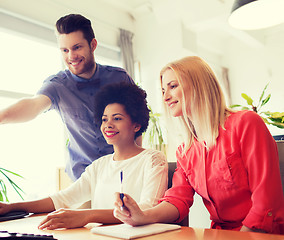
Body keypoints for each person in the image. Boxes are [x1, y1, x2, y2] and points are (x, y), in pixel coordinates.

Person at [113, 56, 284, 234]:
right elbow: (178, 199)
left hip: (260, 234)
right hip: (219, 234)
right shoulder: (185, 150)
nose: (165, 97)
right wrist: (142, 215)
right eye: (163, 90)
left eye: (173, 86)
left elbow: (266, 203)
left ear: (198, 84)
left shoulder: (246, 123)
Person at [0, 82, 168, 230]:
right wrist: (11, 206)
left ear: (136, 124)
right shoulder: (99, 166)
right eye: (104, 119)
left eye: (117, 119)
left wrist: (86, 216)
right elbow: (63, 199)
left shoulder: (152, 159)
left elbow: (145, 210)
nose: (108, 125)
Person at [0, 14, 136, 181]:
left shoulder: (119, 78)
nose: (71, 56)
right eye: (65, 50)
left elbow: (137, 122)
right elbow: (32, 105)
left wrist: (135, 161)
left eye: (77, 47)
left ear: (93, 44)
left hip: (123, 174)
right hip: (84, 181)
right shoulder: (57, 85)